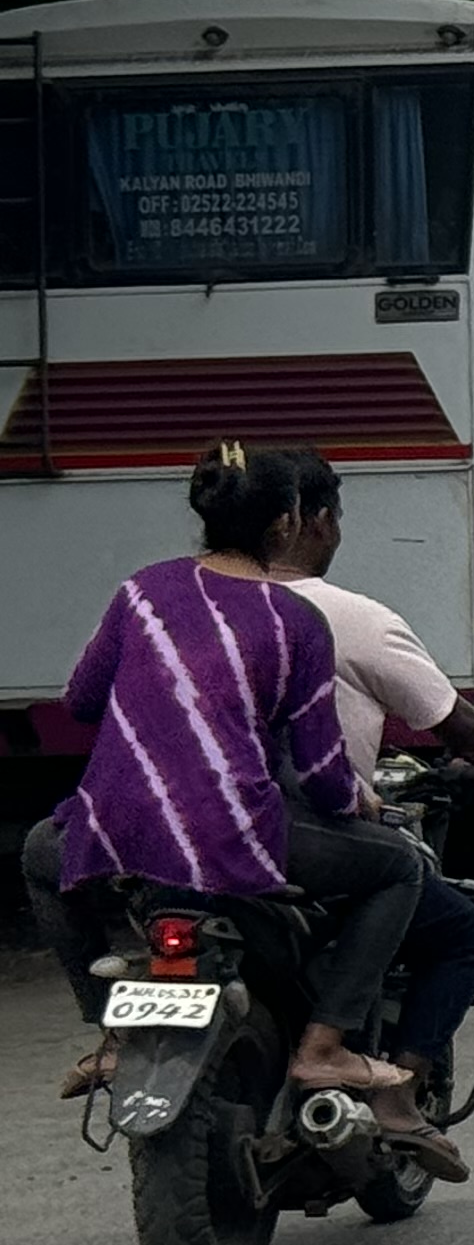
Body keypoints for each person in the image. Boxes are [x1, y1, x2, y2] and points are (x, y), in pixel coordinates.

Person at [23, 443, 428, 1116]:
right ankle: (324, 1046)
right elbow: (325, 775)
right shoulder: (296, 621)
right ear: (286, 526)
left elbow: (81, 700)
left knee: (42, 857)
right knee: (398, 871)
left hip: (115, 828)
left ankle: (111, 1029)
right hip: (233, 831)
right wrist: (358, 802)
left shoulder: (141, 591)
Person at [263, 450, 474, 1172]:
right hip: (288, 830)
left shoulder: (177, 607)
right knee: (446, 920)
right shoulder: (337, 618)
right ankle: (392, 1091)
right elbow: (447, 721)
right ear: (311, 521)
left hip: (171, 835)